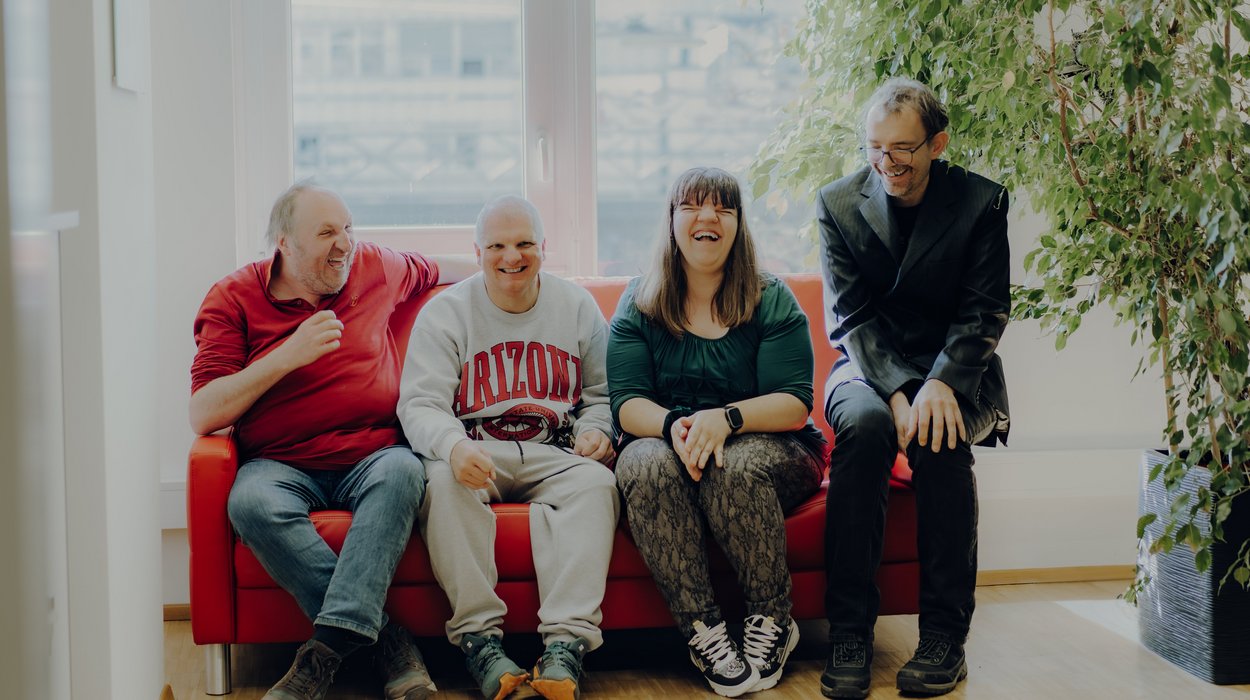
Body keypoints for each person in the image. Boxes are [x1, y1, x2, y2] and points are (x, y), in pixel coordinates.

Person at [189, 180, 476, 700]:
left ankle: (322, 656)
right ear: (285, 244)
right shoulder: (233, 297)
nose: (344, 244)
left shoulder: (375, 266)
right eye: (326, 233)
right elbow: (204, 412)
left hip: (373, 455)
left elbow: (446, 269)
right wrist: (286, 355)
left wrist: (512, 269)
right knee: (249, 502)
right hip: (280, 463)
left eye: (348, 228)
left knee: (404, 471)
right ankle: (388, 641)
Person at [816, 78, 1012, 699]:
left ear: (937, 143)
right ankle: (850, 632)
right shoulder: (837, 202)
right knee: (868, 426)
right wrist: (903, 390)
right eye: (875, 148)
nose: (887, 163)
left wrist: (940, 385)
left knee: (941, 434)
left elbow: (983, 313)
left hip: (960, 366)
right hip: (865, 363)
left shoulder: (982, 202)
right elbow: (848, 317)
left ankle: (944, 639)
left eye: (902, 148)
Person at [607, 167, 826, 698]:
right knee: (641, 464)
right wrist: (673, 427)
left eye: (723, 208)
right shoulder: (639, 301)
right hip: (669, 441)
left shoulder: (771, 298)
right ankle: (703, 631)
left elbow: (795, 404)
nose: (707, 217)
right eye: (692, 206)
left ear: (738, 223)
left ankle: (774, 622)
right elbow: (626, 404)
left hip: (770, 444)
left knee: (735, 465)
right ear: (672, 221)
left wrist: (723, 420)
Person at [396, 195, 619, 700]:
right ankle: (480, 642)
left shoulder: (577, 305)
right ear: (477, 253)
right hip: (475, 451)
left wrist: (598, 430)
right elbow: (419, 405)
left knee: (598, 484)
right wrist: (452, 447)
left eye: (523, 244)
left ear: (544, 247)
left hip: (556, 452)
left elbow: (604, 395)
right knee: (442, 481)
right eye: (496, 245)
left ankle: (566, 646)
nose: (510, 257)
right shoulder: (446, 313)